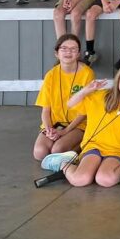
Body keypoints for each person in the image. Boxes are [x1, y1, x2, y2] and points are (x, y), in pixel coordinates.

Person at [39, 61, 120, 188]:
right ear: (118, 78)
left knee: (105, 179)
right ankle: (63, 164)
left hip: (117, 151)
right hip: (93, 146)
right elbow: (70, 104)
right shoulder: (101, 96)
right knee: (80, 179)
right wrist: (86, 90)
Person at [33, 33, 94, 161]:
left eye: (73, 49)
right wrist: (49, 129)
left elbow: (85, 112)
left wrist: (65, 131)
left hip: (78, 124)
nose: (68, 52)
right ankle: (58, 141)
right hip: (55, 123)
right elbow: (46, 109)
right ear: (57, 53)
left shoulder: (87, 73)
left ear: (78, 54)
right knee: (40, 153)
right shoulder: (51, 75)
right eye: (64, 48)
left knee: (57, 150)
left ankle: (85, 144)